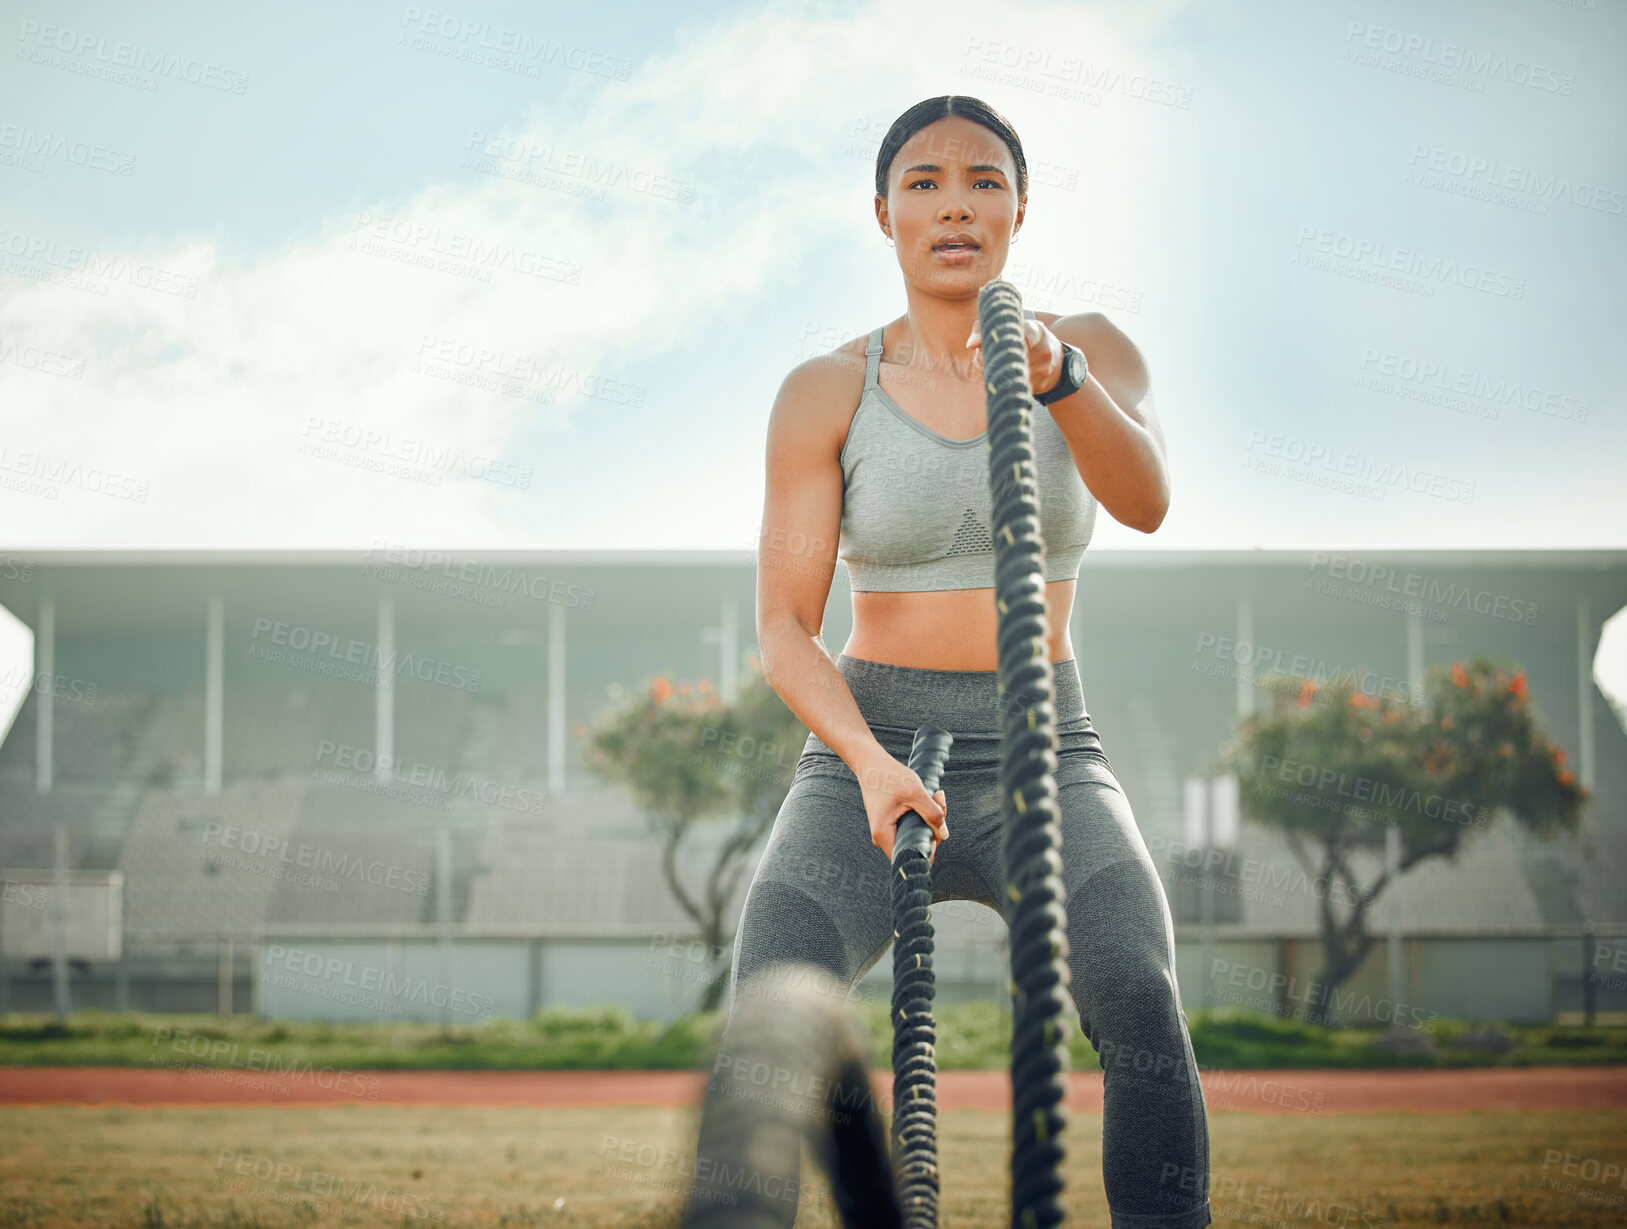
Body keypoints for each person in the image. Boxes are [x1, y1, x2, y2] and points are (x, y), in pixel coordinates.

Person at [723, 94, 1210, 1228]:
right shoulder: (824, 389)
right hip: (867, 747)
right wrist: (866, 759)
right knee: (770, 1003)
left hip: (1047, 745)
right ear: (882, 212)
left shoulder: (1093, 350)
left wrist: (1061, 379)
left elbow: (1145, 502)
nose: (954, 204)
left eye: (983, 180)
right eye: (925, 183)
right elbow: (785, 626)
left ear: (1020, 207)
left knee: (1138, 992)